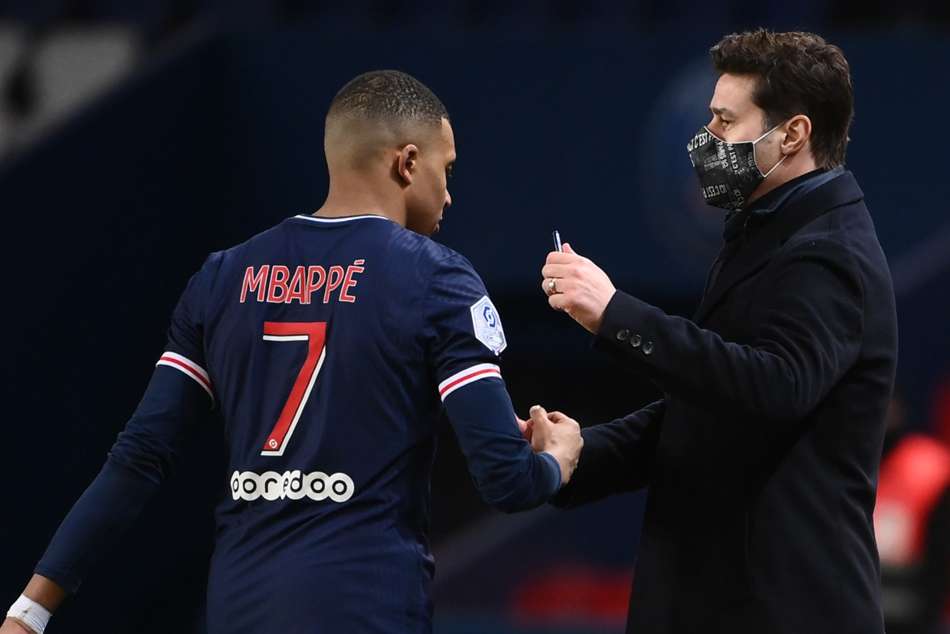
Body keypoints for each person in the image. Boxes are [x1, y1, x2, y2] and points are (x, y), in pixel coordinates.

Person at [1, 70, 582, 634]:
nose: (449, 194)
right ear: (407, 163)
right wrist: (557, 458)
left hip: (240, 605)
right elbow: (507, 481)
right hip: (365, 605)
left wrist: (31, 611)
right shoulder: (439, 279)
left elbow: (138, 459)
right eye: (446, 170)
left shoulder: (223, 276)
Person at [536, 30, 898, 633]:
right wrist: (579, 453)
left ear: (793, 134)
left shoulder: (829, 253)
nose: (706, 139)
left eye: (726, 121)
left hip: (780, 611)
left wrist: (614, 312)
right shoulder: (764, 232)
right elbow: (707, 410)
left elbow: (772, 388)